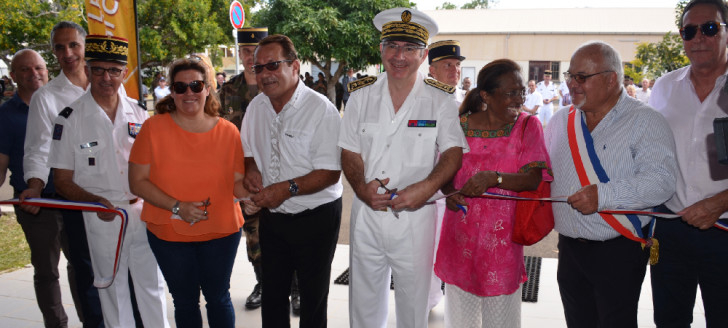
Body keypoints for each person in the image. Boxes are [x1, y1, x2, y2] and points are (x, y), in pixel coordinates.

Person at [339, 8, 468, 328]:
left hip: (416, 217)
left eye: (409, 48)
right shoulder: (361, 95)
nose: (400, 56)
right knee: (363, 305)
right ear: (381, 49)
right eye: (392, 46)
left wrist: (427, 187)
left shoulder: (440, 99)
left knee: (413, 307)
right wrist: (360, 187)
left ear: (423, 55)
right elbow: (349, 150)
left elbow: (453, 152)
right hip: (367, 215)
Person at [544, 41, 678, 328]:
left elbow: (661, 183)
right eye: (570, 76)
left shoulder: (645, 121)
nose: (572, 84)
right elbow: (541, 173)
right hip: (569, 250)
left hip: (618, 250)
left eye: (582, 77)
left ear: (611, 78)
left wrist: (603, 195)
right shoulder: (558, 121)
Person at [48, 35, 169, 328]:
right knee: (112, 290)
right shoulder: (70, 118)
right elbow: (61, 180)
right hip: (102, 217)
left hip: (142, 212)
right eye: (99, 69)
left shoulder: (140, 113)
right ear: (87, 70)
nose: (106, 77)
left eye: (114, 70)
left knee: (152, 287)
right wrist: (93, 201)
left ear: (124, 73)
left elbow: (157, 167)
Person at [128, 57, 254, 328]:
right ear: (171, 91)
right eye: (180, 87)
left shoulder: (228, 131)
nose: (188, 93)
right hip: (169, 232)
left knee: (218, 298)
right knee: (184, 301)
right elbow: (137, 182)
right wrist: (177, 206)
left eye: (195, 86)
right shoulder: (153, 128)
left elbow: (237, 183)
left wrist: (253, 193)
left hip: (220, 231)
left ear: (207, 89)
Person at [436, 58, 552, 328]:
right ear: (486, 95)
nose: (519, 98)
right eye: (511, 93)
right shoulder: (460, 125)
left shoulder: (527, 126)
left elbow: (534, 179)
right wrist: (451, 192)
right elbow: (443, 173)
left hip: (503, 243)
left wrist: (494, 178)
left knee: (501, 321)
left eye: (521, 91)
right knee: (462, 321)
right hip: (460, 237)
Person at [241, 34, 343, 328]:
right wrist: (251, 169)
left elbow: (330, 172)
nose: (265, 74)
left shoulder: (320, 109)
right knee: (273, 295)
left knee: (312, 298)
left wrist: (286, 189)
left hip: (316, 215)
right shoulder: (257, 107)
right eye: (258, 68)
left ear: (295, 66)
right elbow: (248, 150)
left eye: (273, 65)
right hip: (273, 216)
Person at [649, 1, 728, 327]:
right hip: (670, 229)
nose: (698, 38)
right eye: (688, 30)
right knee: (669, 319)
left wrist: (719, 202)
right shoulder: (664, 87)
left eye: (709, 28)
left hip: (724, 227)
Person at [23, 21, 105, 327]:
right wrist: (34, 185)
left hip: (116, 194)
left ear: (85, 45)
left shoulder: (108, 82)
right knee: (85, 270)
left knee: (121, 266)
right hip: (75, 194)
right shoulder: (47, 97)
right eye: (59, 47)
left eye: (73, 45)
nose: (67, 53)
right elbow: (39, 148)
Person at [0, 49, 71, 328]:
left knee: (84, 266)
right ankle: (57, 324)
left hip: (75, 199)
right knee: (46, 271)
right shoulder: (6, 116)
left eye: (39, 68)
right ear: (13, 76)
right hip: (35, 204)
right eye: (26, 70)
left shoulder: (64, 103)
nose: (34, 74)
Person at [218, 27, 283, 311]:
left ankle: (292, 288)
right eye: (245, 52)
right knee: (253, 236)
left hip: (280, 173)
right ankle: (263, 283)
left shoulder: (279, 85)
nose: (249, 58)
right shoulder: (228, 91)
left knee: (285, 234)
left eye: (254, 53)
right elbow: (217, 135)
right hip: (244, 178)